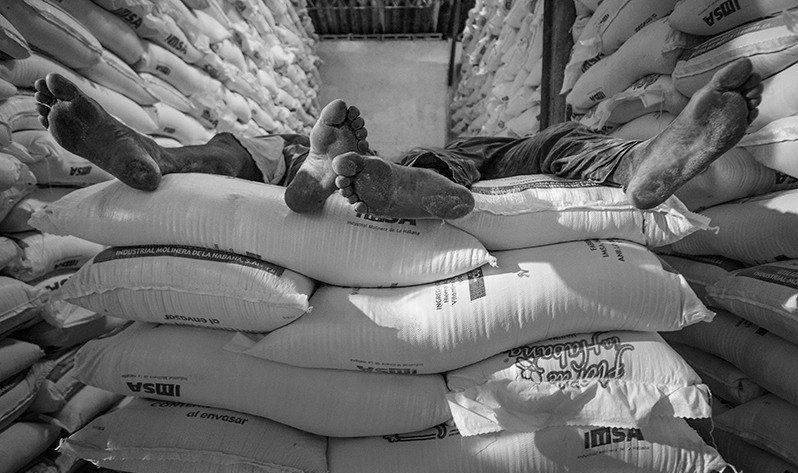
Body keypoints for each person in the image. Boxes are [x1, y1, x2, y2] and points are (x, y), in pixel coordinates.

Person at [33, 57, 762, 219]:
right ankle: (638, 162)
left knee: (247, 148)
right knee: (548, 150)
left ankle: (174, 158)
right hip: (463, 160)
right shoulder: (480, 135)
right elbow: (531, 148)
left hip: (385, 160)